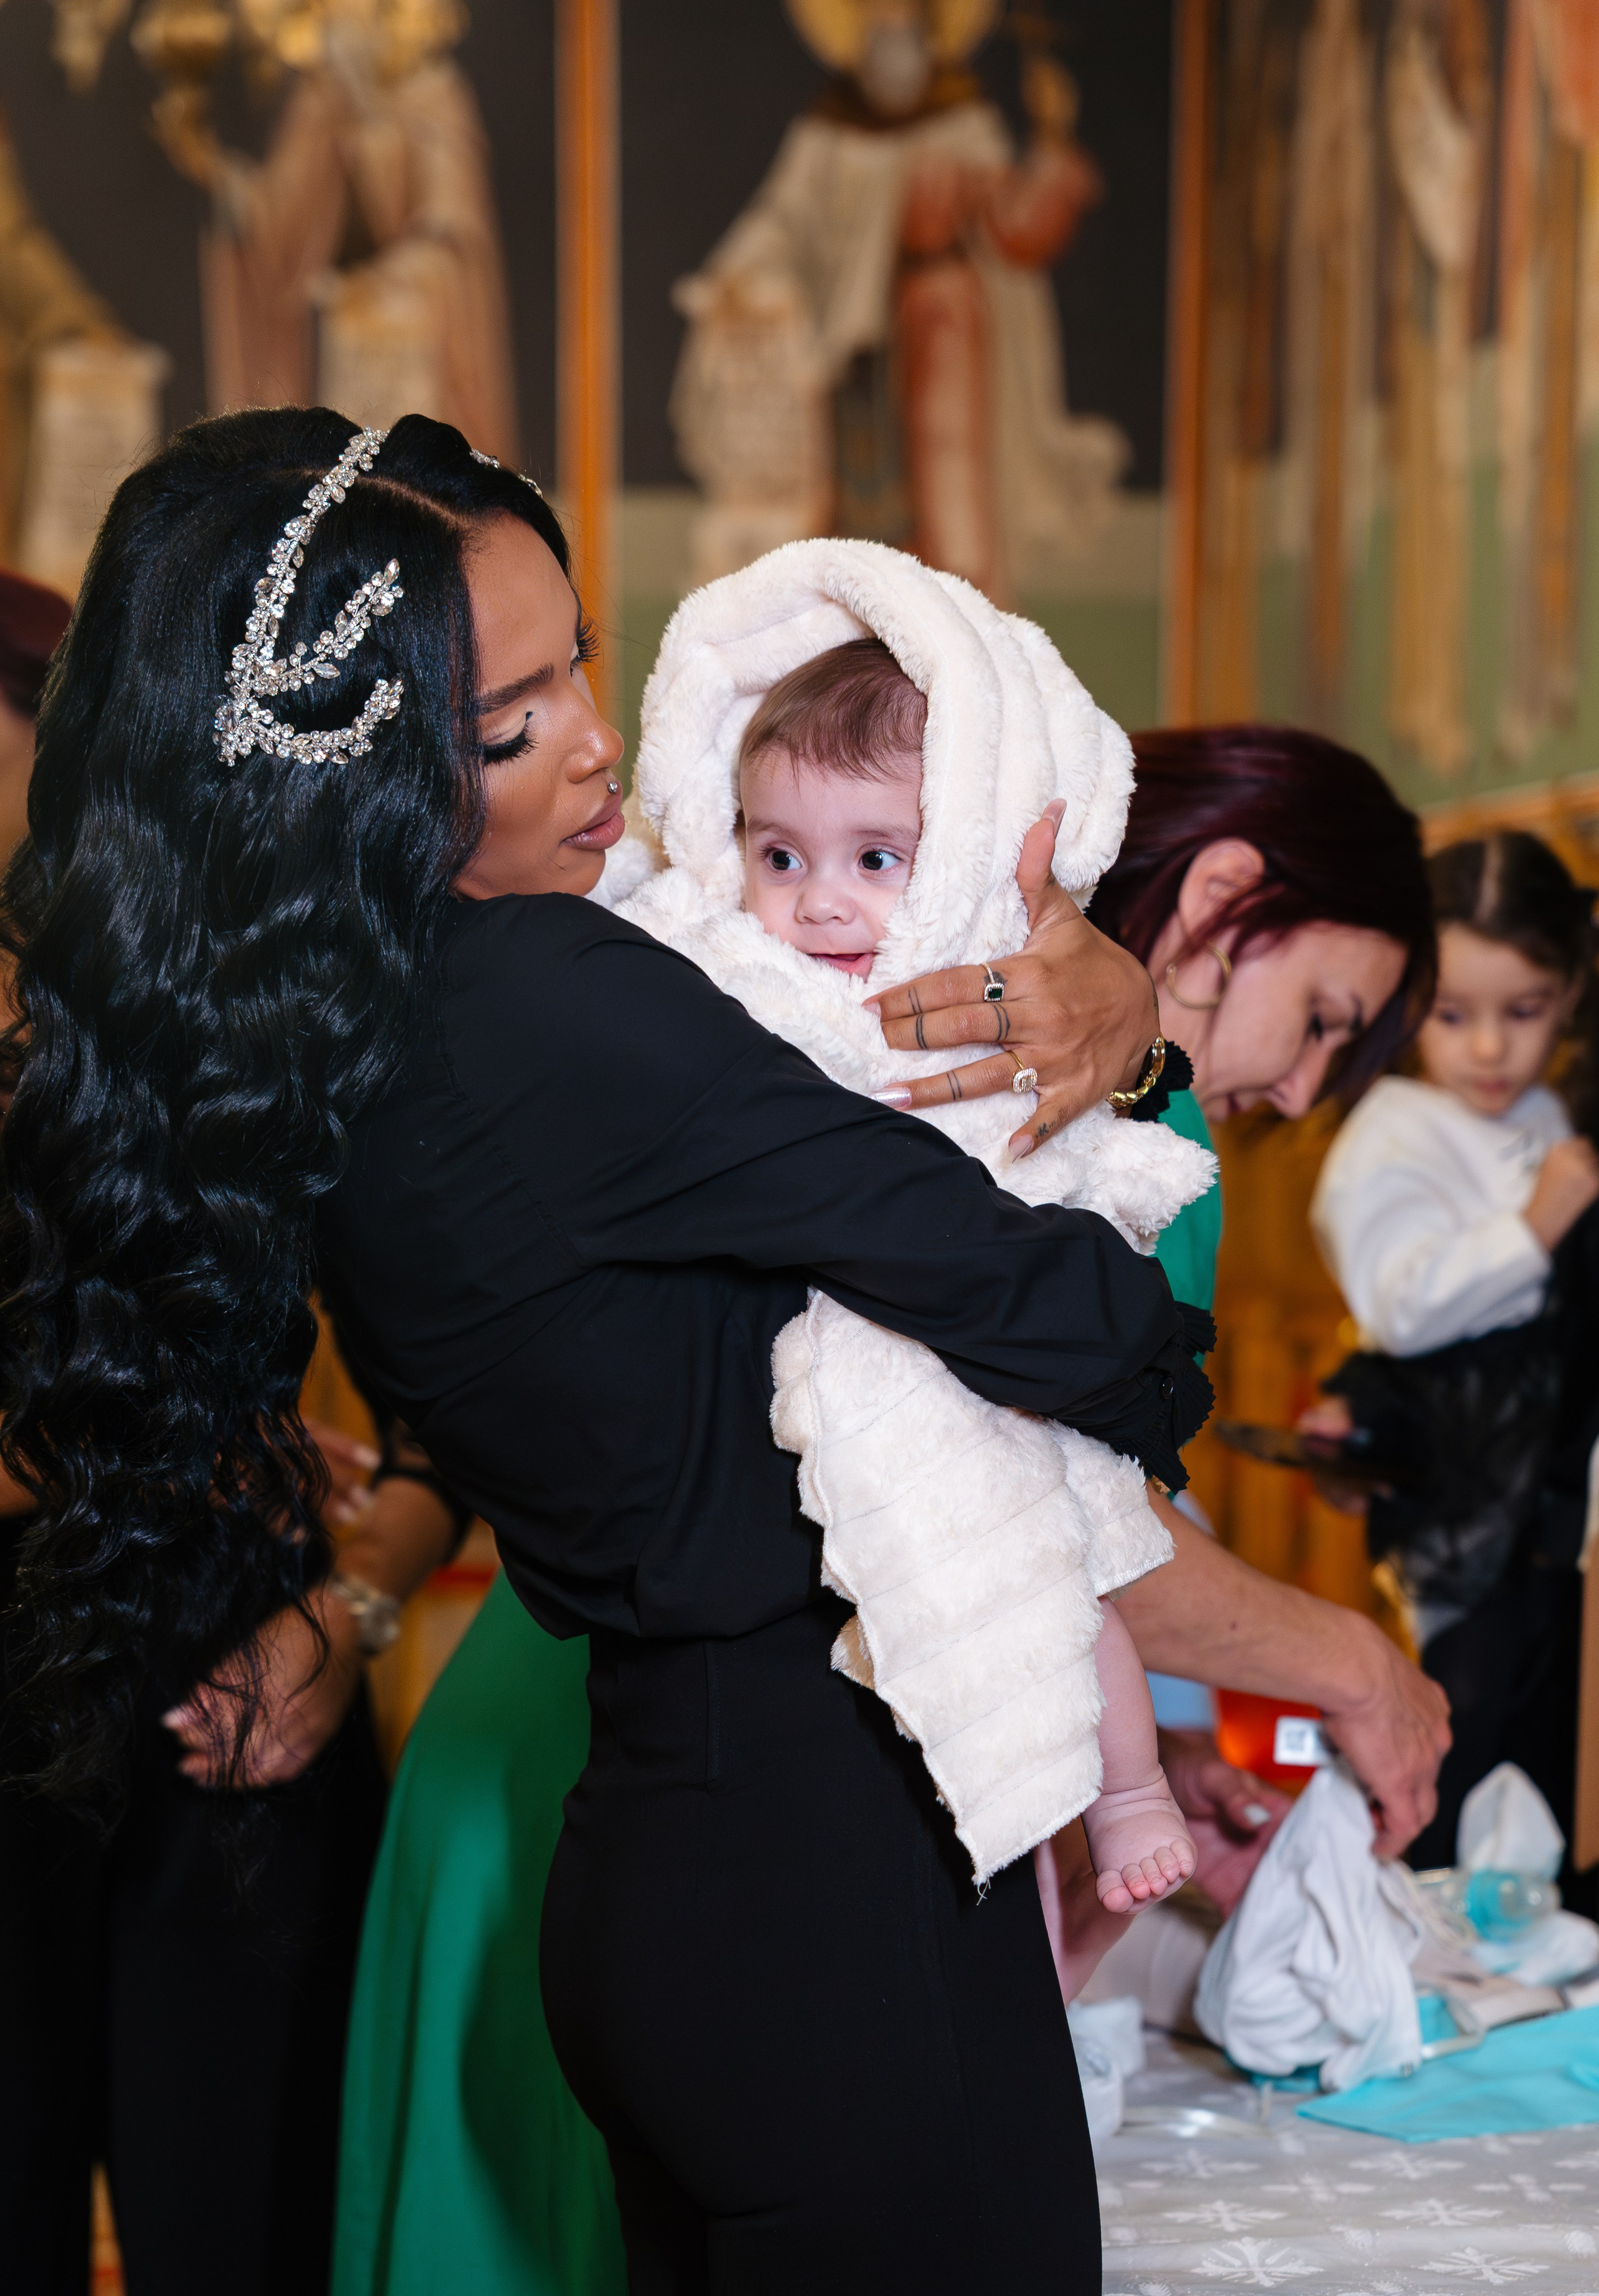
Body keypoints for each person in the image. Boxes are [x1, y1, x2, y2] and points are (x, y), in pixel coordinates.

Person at [0, 410, 1207, 2294]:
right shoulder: (546, 998)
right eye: (507, 722)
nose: (592, 740)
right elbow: (1099, 1327)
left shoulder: (349, 1046)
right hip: (822, 1873)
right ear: (370, 780)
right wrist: (1123, 1054)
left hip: (681, 1855)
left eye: (578, 659)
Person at [337, 715, 1451, 2289]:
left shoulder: (769, 1001)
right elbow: (1070, 1506)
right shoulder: (1086, 1100)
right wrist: (1354, 1663)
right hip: (774, 1752)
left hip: (620, 1713)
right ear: (1218, 894)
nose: (1301, 1080)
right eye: (1323, 1014)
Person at [1307, 830, 1599, 1875]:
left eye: (1523, 1013)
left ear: (1568, 996)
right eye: (1453, 1016)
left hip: (1550, 1497)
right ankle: (1428, 1930)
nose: (1488, 1051)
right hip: (1464, 1502)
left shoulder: (1548, 1109)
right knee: (1459, 1731)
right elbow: (1404, 1303)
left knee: (1551, 1742)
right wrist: (1536, 1225)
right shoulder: (1392, 1128)